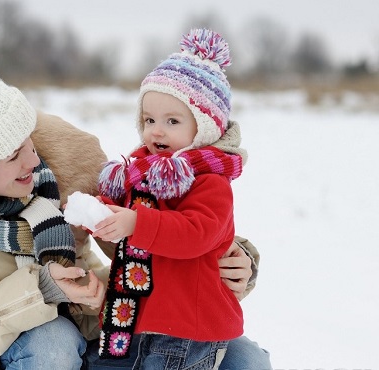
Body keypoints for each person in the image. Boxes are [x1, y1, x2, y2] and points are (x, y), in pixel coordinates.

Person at [0, 38, 268, 370]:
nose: (33, 160)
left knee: (244, 358)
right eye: (13, 156)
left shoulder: (62, 171)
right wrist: (42, 289)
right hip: (26, 350)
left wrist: (233, 260)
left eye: (28, 143)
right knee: (53, 340)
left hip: (99, 328)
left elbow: (149, 235)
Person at [84, 29, 269, 369]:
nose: (156, 131)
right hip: (135, 323)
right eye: (149, 120)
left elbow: (195, 233)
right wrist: (96, 215)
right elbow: (122, 224)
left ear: (205, 129)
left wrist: (136, 223)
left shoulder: (211, 183)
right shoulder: (139, 174)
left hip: (186, 332)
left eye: (172, 121)